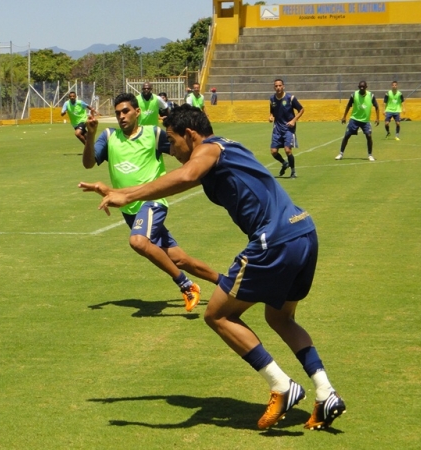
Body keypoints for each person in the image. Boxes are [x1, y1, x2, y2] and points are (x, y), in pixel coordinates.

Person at [79, 103, 346, 431]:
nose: (172, 149)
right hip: (303, 230)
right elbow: (184, 178)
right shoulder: (228, 147)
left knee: (217, 315)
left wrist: (127, 196)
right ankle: (326, 392)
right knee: (280, 318)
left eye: (173, 141)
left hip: (274, 240)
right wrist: (121, 191)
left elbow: (187, 175)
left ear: (190, 135)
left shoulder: (208, 149)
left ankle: (281, 385)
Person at [81, 93, 219, 312]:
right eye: (118, 113)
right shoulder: (109, 136)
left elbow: (181, 147)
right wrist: (90, 135)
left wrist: (199, 166)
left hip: (152, 202)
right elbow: (88, 163)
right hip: (129, 209)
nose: (121, 116)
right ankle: (227, 284)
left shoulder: (153, 134)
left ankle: (186, 285)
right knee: (179, 259)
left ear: (137, 112)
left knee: (138, 241)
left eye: (126, 111)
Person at [268, 79, 304, 178]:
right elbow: (272, 111)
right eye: (276, 86)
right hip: (277, 129)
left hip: (288, 128)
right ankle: (284, 163)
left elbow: (301, 109)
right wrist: (271, 116)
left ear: (283, 86)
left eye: (280, 85)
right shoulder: (272, 99)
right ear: (274, 87)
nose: (278, 88)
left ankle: (293, 172)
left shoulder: (290, 98)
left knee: (287, 150)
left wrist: (294, 120)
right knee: (274, 151)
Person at [337, 81, 380, 161]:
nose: (362, 88)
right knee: (347, 136)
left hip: (365, 121)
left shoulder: (371, 95)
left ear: (366, 87)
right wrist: (344, 116)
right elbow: (348, 105)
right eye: (360, 87)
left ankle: (370, 155)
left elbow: (377, 107)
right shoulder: (354, 95)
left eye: (363, 87)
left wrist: (377, 118)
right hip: (354, 119)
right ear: (358, 87)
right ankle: (340, 153)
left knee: (369, 136)